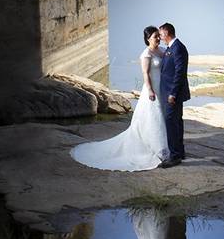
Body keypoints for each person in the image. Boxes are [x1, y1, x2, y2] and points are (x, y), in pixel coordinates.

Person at [70, 26, 169, 171]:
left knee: (161, 117)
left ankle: (163, 146)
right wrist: (150, 91)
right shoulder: (146, 54)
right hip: (152, 89)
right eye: (155, 36)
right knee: (154, 117)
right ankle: (156, 149)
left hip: (162, 88)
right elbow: (145, 74)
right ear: (148, 39)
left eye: (158, 36)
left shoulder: (160, 51)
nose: (158, 39)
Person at [158, 22, 190, 168]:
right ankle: (180, 151)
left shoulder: (178, 48)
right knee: (176, 121)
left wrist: (172, 94)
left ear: (167, 33)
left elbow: (179, 73)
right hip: (168, 92)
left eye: (161, 34)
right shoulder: (170, 48)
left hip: (173, 94)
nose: (160, 37)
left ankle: (174, 156)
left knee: (171, 122)